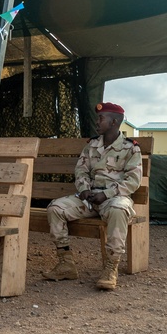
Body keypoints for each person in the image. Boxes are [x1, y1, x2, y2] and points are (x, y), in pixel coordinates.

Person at [42, 102, 142, 291]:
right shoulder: (92, 145)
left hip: (113, 198)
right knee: (56, 208)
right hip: (88, 199)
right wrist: (85, 189)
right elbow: (81, 171)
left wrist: (106, 194)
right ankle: (66, 264)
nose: (97, 122)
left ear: (114, 122)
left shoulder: (130, 149)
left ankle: (111, 269)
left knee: (119, 210)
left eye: (101, 118)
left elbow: (133, 181)